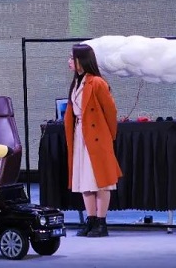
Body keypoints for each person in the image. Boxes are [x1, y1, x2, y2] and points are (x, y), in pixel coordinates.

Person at [64, 43, 122, 238]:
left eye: (72, 58)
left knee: (101, 181)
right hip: (80, 134)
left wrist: (108, 136)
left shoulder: (97, 82)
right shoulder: (77, 82)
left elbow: (110, 111)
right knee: (84, 178)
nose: (69, 61)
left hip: (97, 136)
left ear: (82, 60)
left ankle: (101, 222)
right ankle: (90, 220)